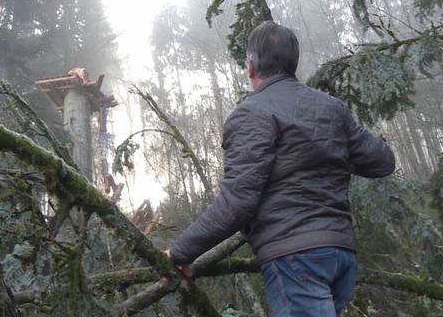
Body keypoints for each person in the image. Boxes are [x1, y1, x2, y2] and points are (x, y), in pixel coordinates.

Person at [166, 21, 395, 316]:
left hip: (297, 259)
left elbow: (237, 202)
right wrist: (327, 145)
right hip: (340, 256)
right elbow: (382, 160)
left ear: (250, 66)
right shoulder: (331, 108)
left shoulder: (251, 113)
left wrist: (179, 252)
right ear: (292, 62)